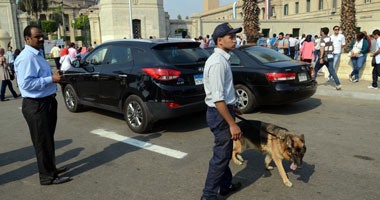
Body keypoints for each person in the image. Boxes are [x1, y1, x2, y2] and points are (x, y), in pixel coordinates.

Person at [14, 25, 71, 185]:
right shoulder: (27, 57)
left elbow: (41, 76)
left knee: (47, 139)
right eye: (37, 36)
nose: (41, 39)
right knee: (42, 142)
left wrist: (55, 78)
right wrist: (51, 79)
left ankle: (51, 169)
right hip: (36, 105)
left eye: (42, 36)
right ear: (27, 39)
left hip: (46, 102)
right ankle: (47, 177)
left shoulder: (37, 54)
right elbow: (26, 84)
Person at [201, 22, 242, 200]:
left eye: (235, 36)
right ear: (219, 41)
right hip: (219, 115)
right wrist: (232, 124)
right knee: (221, 156)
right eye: (231, 37)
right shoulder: (217, 63)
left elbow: (225, 94)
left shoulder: (223, 58)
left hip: (223, 111)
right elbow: (218, 99)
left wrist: (234, 106)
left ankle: (225, 186)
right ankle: (208, 195)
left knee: (224, 153)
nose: (235, 40)